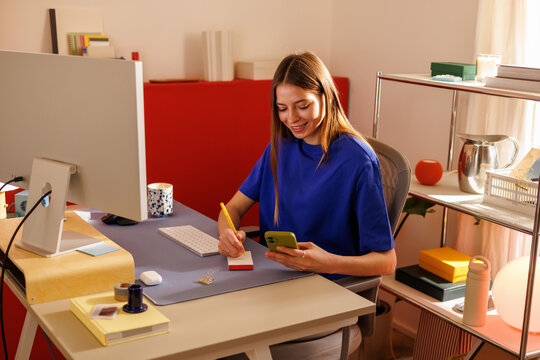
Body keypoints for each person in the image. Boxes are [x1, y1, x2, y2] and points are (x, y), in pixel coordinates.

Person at [217, 51, 396, 279]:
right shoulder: (280, 147)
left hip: (326, 286)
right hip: (270, 277)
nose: (291, 118)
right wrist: (227, 235)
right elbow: (232, 209)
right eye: (282, 108)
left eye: (302, 106)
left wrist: (326, 263)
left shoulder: (358, 161)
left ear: (326, 97)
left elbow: (387, 262)